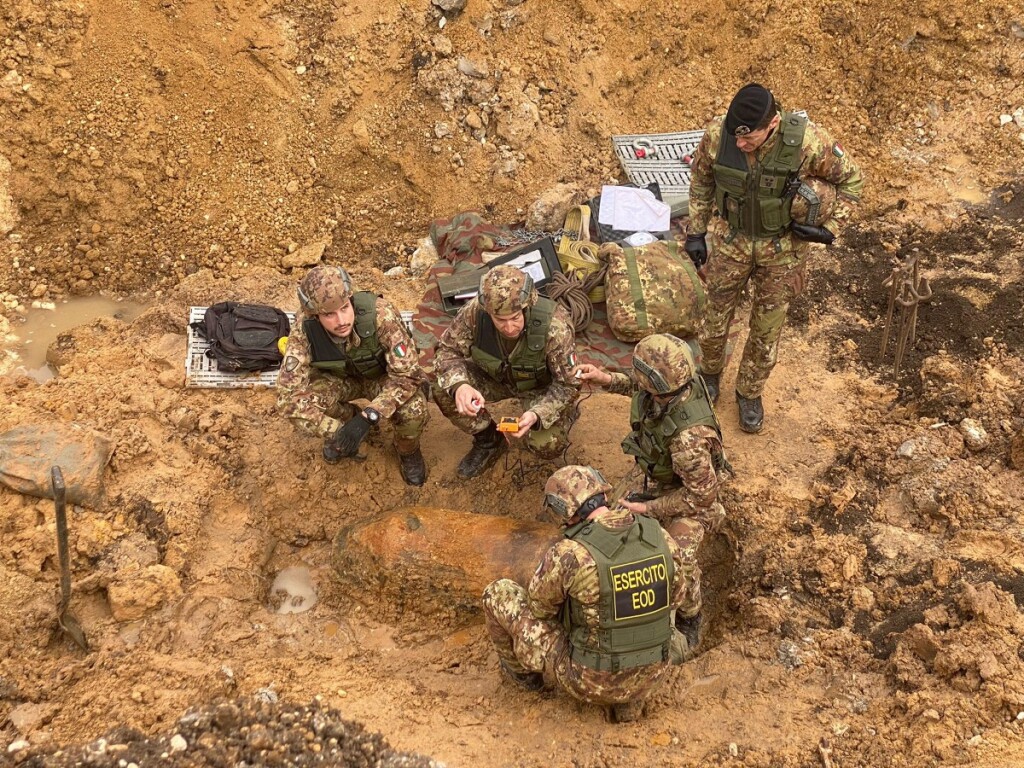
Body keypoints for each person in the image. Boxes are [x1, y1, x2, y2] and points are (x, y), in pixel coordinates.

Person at [684, 82, 864, 433]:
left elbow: (853, 182)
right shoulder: (718, 137)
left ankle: (749, 392)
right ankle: (709, 376)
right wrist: (696, 231)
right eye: (736, 137)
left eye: (748, 138)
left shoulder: (810, 143)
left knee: (767, 328)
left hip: (783, 249)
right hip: (731, 240)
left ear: (774, 124)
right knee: (714, 316)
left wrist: (830, 229)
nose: (740, 145)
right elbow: (701, 180)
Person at [481, 465, 703, 722]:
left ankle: (525, 678)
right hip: (653, 673)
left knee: (497, 593)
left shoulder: (569, 553)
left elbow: (541, 610)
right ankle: (628, 701)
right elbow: (677, 596)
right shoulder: (657, 536)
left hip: (587, 681)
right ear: (604, 496)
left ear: (566, 512)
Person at [276, 264, 429, 486]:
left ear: (351, 299)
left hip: (381, 378)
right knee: (310, 398)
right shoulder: (304, 328)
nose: (341, 321)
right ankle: (347, 419)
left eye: (345, 308)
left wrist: (370, 416)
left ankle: (407, 450)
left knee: (414, 408)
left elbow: (407, 376)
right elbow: (288, 397)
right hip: (340, 380)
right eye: (329, 314)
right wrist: (336, 431)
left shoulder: (381, 315)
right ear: (315, 314)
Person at [433, 265, 581, 478]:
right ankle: (489, 440)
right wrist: (460, 386)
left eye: (515, 318)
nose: (509, 328)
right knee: (442, 387)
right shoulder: (475, 313)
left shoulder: (554, 325)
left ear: (527, 306)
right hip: (495, 378)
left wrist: (538, 414)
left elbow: (569, 384)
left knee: (547, 445)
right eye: (500, 321)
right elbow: (447, 350)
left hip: (539, 388)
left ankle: (566, 415)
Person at [576, 333, 727, 539]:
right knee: (610, 523)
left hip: (693, 493)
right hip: (660, 468)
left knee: (673, 555)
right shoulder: (678, 381)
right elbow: (638, 385)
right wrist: (606, 379)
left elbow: (702, 497)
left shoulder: (688, 443)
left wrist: (649, 509)